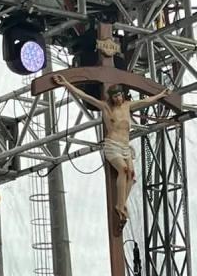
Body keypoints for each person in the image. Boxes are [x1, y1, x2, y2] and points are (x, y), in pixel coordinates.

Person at [52, 74, 172, 221]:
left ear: (123, 95)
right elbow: (84, 96)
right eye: (115, 97)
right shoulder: (106, 107)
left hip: (125, 146)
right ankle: (119, 206)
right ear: (112, 98)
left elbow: (146, 101)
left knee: (131, 176)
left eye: (120, 95)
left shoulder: (127, 106)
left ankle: (122, 203)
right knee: (124, 170)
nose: (118, 99)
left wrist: (160, 95)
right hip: (112, 144)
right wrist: (66, 83)